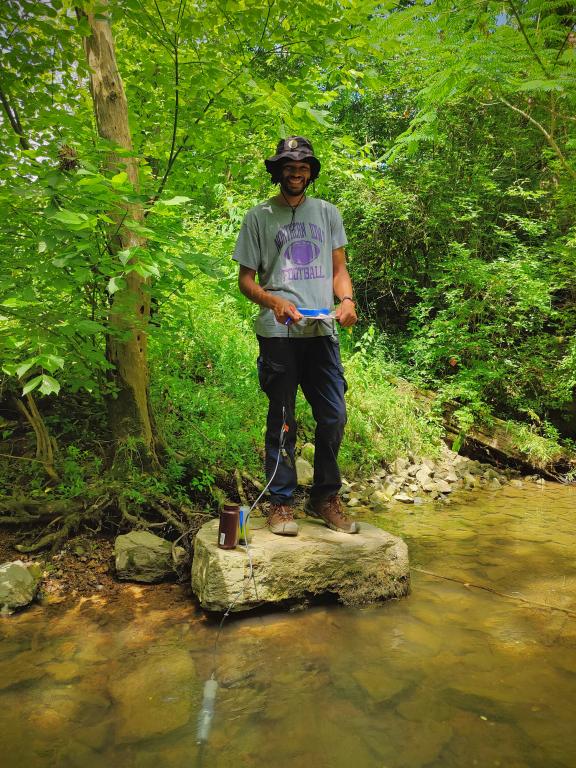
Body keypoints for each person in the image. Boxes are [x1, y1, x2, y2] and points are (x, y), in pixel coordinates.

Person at [233, 136, 359, 536]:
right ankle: (281, 504)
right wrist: (273, 302)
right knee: (283, 420)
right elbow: (245, 280)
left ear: (311, 172)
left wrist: (347, 300)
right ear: (278, 171)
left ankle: (325, 498)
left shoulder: (327, 213)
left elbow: (339, 269)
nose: (296, 171)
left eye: (303, 165)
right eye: (289, 165)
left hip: (322, 330)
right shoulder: (258, 217)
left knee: (333, 416)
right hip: (278, 334)